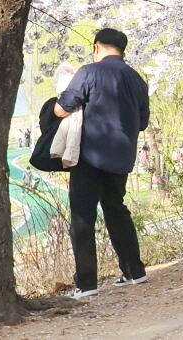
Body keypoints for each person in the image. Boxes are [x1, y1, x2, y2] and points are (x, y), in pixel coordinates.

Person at [54, 28, 150, 298]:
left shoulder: (88, 72)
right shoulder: (137, 79)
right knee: (116, 209)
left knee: (83, 216)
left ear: (96, 47)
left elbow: (63, 107)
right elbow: (142, 122)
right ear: (123, 50)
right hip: (122, 157)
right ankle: (135, 271)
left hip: (90, 156)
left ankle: (86, 284)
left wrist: (54, 109)